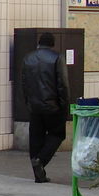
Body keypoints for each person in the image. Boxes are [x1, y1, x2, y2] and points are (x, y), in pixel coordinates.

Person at [20, 32, 70, 183]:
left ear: (39, 43)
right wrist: (64, 105)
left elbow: (24, 83)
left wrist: (28, 102)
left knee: (36, 137)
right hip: (52, 105)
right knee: (57, 134)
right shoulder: (57, 58)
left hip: (34, 106)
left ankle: (38, 173)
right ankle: (40, 161)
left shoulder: (28, 58)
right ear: (52, 43)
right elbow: (63, 84)